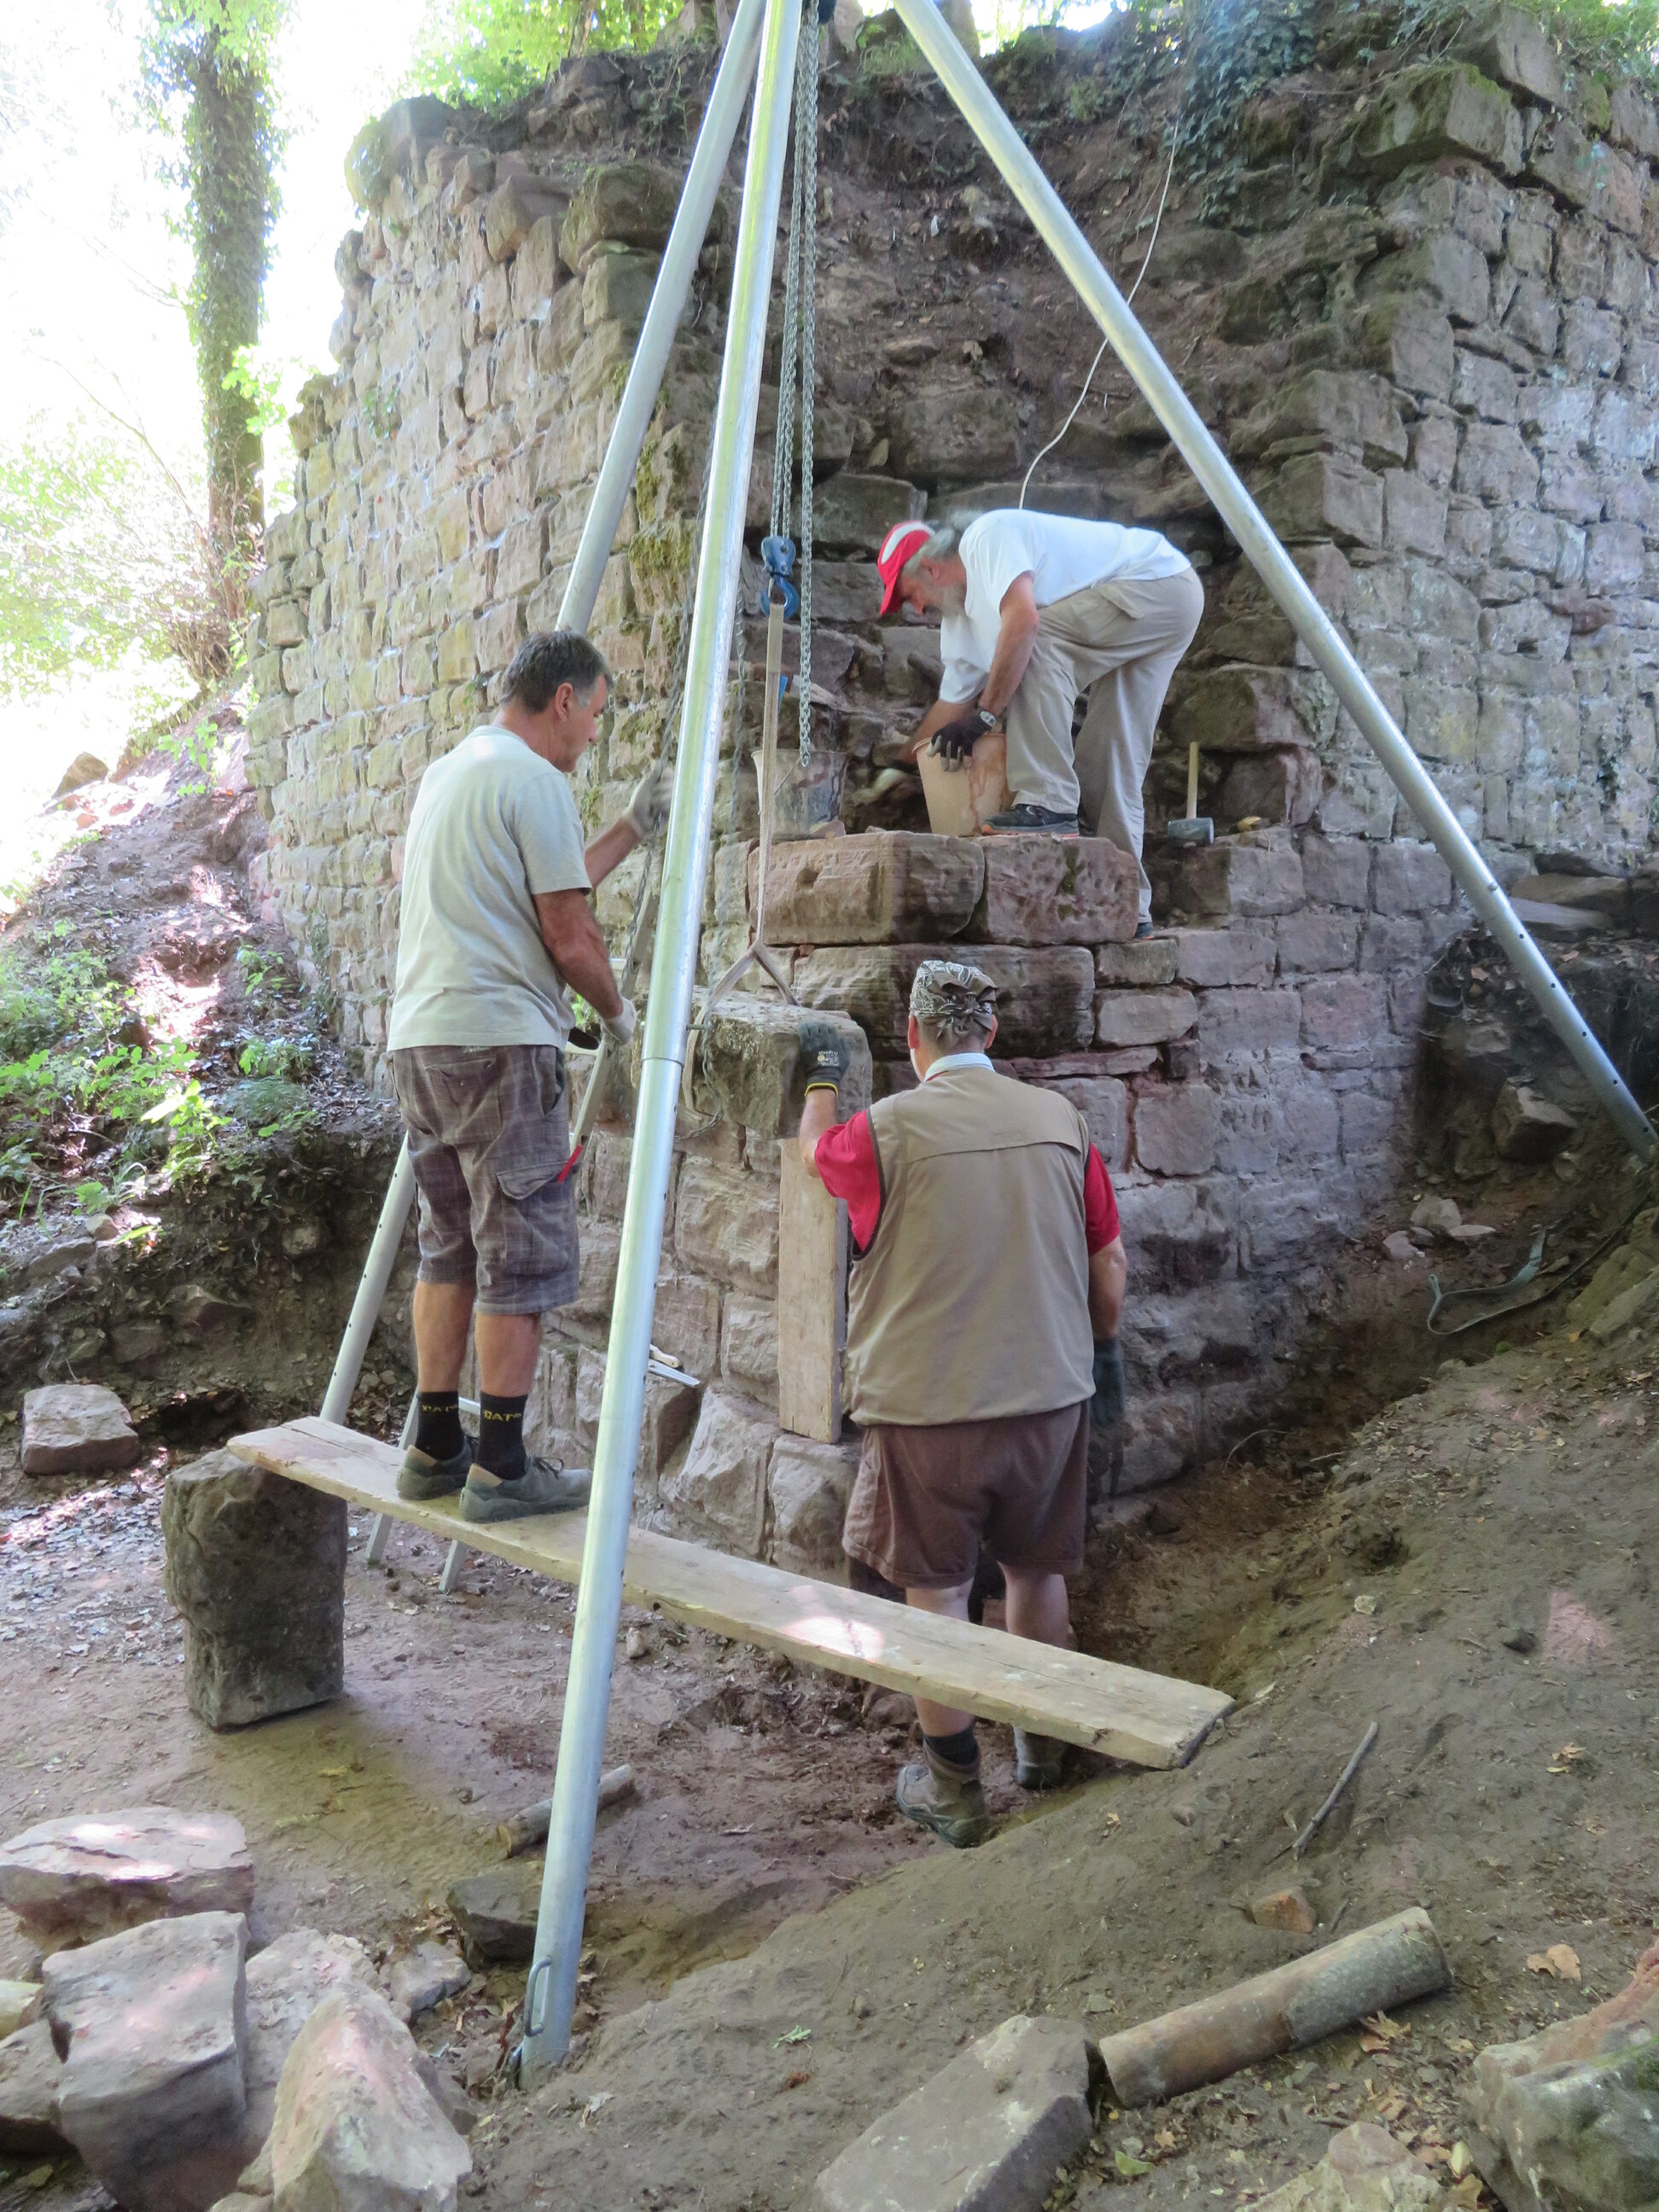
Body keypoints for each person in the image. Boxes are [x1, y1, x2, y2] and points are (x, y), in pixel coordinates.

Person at [796, 962, 1128, 1847]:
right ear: (992, 1032)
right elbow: (1109, 1265)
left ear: (913, 1036)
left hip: (928, 1414)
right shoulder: (1062, 1123)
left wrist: (821, 1082)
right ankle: (1043, 1748)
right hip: (1050, 1401)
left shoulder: (881, 1133)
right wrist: (1095, 1350)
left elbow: (815, 1157)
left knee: (939, 1593)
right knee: (1036, 1573)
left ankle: (955, 1789)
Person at [386, 630, 670, 1525]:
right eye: (596, 713)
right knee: (519, 1251)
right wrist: (622, 1019)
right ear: (564, 700)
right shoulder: (538, 782)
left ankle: (436, 1446)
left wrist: (631, 829)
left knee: (449, 1245)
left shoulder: (451, 774)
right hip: (499, 1045)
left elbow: (538, 888)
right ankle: (503, 1467)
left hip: (421, 1042)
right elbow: (569, 935)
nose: (595, 733)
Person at [876, 510, 1205, 934]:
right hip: (1163, 606)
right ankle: (1126, 907)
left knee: (1034, 641)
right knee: (1108, 756)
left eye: (910, 596)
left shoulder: (986, 538)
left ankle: (1048, 799)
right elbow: (949, 705)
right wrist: (902, 765)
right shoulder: (960, 624)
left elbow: (1025, 624)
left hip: (1159, 584)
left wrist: (986, 715)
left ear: (930, 568)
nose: (918, 609)